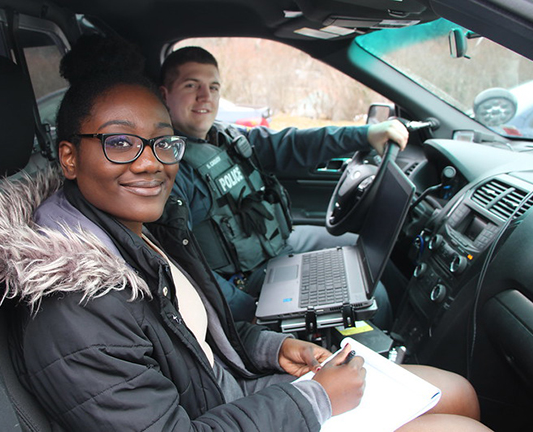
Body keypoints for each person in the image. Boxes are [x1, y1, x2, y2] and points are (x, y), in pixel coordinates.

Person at [0, 34, 487, 431]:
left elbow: (195, 336)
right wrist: (315, 400)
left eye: (162, 143)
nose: (150, 165)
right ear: (69, 157)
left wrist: (271, 350)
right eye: (120, 143)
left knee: (457, 392)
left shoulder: (141, 227)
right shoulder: (75, 304)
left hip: (239, 394)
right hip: (232, 412)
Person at [158, 46, 409, 322]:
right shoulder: (170, 169)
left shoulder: (227, 136)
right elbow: (185, 266)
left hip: (278, 246)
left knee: (368, 254)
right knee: (373, 296)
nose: (205, 96)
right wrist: (251, 314)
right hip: (247, 283)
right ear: (164, 95)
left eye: (214, 87)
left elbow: (295, 143)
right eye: (191, 85)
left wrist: (366, 134)